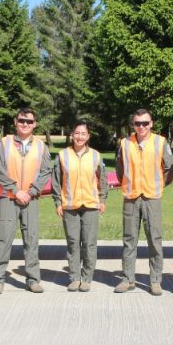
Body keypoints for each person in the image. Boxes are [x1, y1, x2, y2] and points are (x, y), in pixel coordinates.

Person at [0, 108, 51, 293]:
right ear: (15, 122)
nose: (25, 124)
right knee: (3, 238)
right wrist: (16, 191)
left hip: (30, 199)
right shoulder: (4, 143)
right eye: (22, 120)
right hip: (8, 197)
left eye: (29, 122)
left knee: (31, 239)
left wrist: (30, 192)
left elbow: (46, 171)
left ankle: (33, 279)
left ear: (35, 124)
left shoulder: (41, 146)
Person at [114, 108, 173, 295]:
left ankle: (155, 281)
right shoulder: (124, 143)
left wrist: (159, 185)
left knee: (154, 240)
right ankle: (127, 279)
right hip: (131, 197)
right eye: (137, 123)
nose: (141, 127)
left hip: (152, 197)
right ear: (133, 124)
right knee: (129, 240)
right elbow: (119, 168)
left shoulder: (160, 142)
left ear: (151, 124)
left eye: (145, 123)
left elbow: (170, 167)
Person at [52, 120, 108, 291]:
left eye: (83, 133)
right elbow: (56, 181)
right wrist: (57, 202)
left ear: (88, 136)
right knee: (73, 242)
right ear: (72, 135)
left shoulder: (96, 155)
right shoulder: (62, 155)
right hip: (70, 205)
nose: (80, 137)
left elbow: (102, 179)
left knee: (89, 243)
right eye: (77, 133)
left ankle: (87, 278)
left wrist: (102, 199)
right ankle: (74, 277)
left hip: (91, 205)